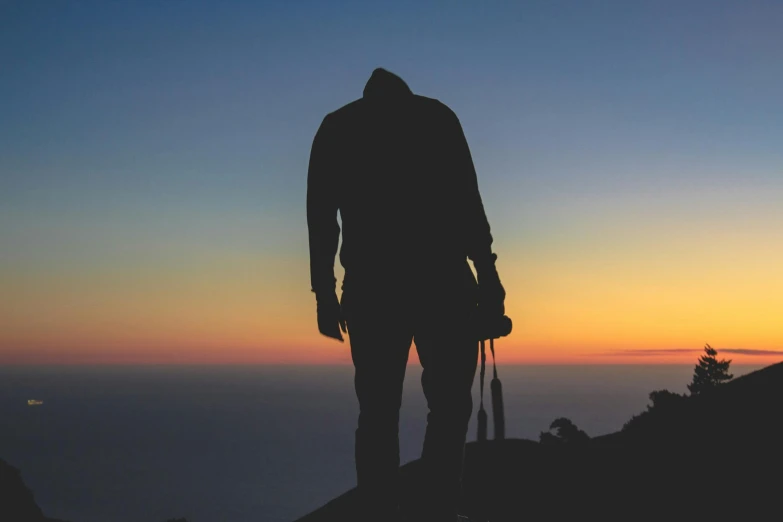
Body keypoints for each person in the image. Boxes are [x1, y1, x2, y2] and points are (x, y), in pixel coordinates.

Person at [307, 68, 506, 522]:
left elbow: (322, 220)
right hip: (444, 287)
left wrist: (324, 293)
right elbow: (468, 205)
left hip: (373, 294)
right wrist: (489, 277)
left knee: (377, 413)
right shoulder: (437, 118)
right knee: (451, 405)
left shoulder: (337, 127)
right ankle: (438, 509)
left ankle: (381, 512)